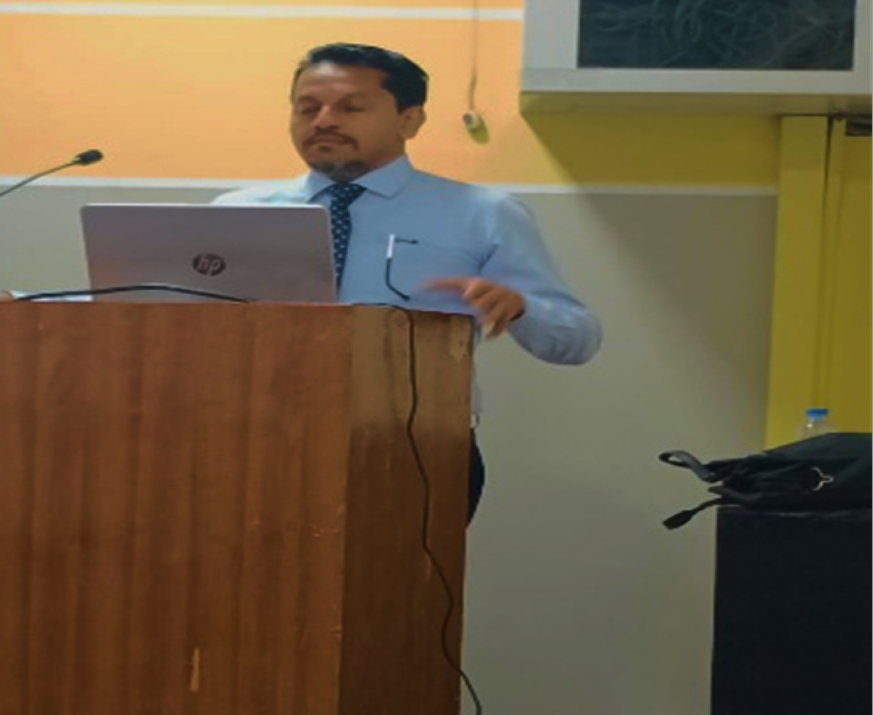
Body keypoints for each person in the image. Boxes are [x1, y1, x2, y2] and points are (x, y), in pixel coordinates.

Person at [213, 43, 603, 521]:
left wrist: (521, 306)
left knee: (395, 573)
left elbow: (577, 340)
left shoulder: (482, 213)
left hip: (418, 447)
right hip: (258, 442)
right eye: (307, 107)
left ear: (409, 119)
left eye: (351, 107)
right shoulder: (237, 213)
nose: (323, 121)